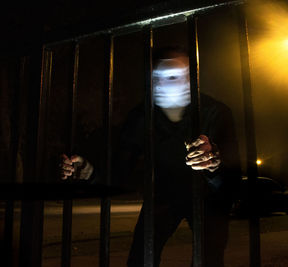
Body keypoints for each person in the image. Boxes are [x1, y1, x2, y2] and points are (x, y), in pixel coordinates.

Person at [59, 46, 241, 266]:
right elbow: (120, 170)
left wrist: (213, 163)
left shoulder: (216, 112)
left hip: (208, 198)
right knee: (141, 257)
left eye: (175, 76)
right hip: (164, 194)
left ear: (191, 77)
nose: (166, 84)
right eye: (158, 77)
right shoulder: (141, 117)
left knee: (208, 259)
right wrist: (91, 172)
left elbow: (232, 174)